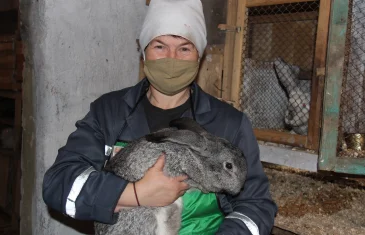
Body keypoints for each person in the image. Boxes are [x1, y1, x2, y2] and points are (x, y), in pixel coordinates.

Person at [42, 0, 277, 234]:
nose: (171, 58)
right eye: (160, 47)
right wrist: (135, 194)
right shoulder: (109, 112)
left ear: (199, 56)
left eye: (184, 48)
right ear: (144, 52)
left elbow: (256, 205)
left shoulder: (229, 123)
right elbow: (58, 183)